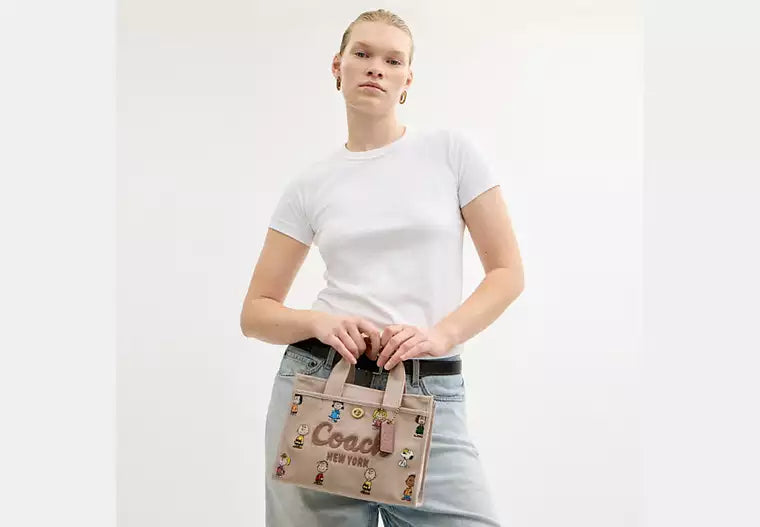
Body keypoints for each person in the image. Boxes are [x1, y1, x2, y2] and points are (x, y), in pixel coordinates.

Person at [240, 8, 524, 526]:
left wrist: (441, 335)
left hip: (427, 390)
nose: (376, 67)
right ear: (338, 66)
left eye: (393, 60)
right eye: (363, 53)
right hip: (322, 387)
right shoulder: (310, 185)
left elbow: (507, 273)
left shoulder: (451, 153)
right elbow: (255, 312)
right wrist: (319, 322)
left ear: (407, 80)